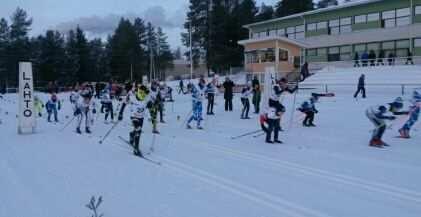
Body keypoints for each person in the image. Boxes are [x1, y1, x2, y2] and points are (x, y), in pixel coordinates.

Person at [127, 86, 152, 157]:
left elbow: (150, 101)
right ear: (138, 92)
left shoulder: (147, 97)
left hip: (141, 117)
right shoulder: (132, 97)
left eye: (144, 94)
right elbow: (124, 102)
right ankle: (136, 149)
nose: (143, 95)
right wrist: (120, 113)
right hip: (134, 116)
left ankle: (131, 134)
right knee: (138, 130)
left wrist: (150, 105)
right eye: (141, 93)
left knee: (138, 131)